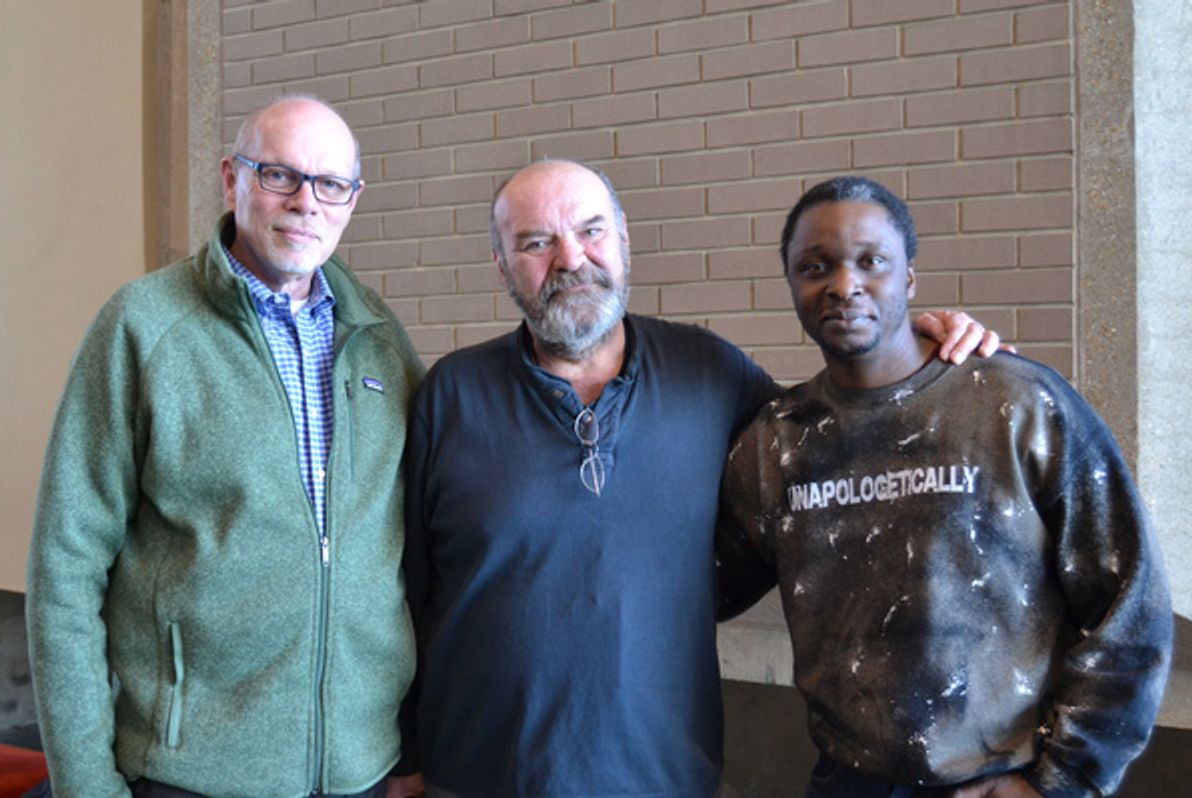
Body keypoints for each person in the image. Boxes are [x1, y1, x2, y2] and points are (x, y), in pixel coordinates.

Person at [398, 160, 999, 798]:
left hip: (666, 778)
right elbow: (402, 590)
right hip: (476, 779)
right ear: (502, 263)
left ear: (624, 239)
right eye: (536, 242)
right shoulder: (451, 396)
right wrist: (405, 756)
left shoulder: (709, 372)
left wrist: (913, 346)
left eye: (591, 231)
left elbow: (837, 435)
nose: (571, 259)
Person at [717, 176, 1173, 798]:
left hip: (1002, 781)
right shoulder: (776, 444)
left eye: (871, 261)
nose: (843, 285)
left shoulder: (1016, 403)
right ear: (794, 285)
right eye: (815, 266)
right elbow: (701, 586)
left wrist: (1061, 780)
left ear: (908, 279)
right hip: (847, 782)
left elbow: (1130, 603)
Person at [27, 96, 425, 798]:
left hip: (362, 772)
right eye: (279, 175)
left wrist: (412, 748)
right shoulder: (145, 327)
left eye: (330, 184)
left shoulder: (380, 339)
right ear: (230, 179)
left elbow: (422, 550)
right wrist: (85, 786)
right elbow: (65, 573)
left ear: (353, 200)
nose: (306, 202)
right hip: (192, 775)